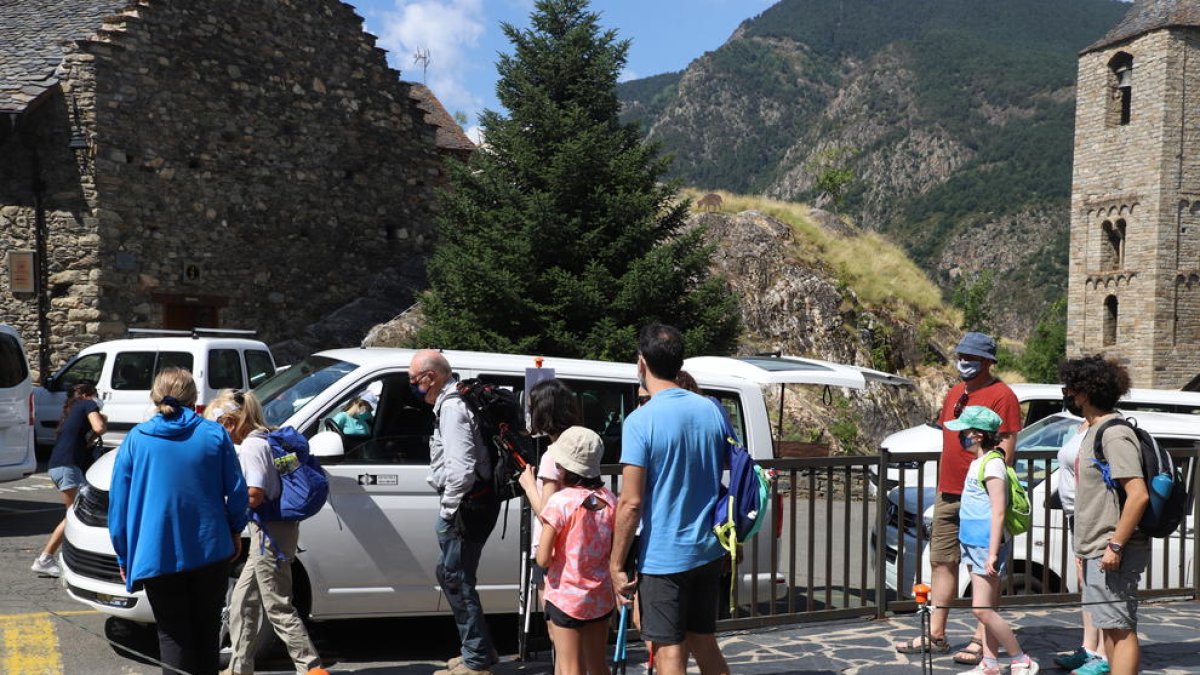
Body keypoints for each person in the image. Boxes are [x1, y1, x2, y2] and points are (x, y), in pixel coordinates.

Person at [107, 368, 248, 675]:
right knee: (206, 633)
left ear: (154, 397)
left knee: (172, 635)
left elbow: (118, 507)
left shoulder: (136, 439)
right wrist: (235, 528)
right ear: (194, 397)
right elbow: (237, 491)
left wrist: (123, 553)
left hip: (158, 550)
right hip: (209, 547)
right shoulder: (214, 434)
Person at [610, 323, 730, 675]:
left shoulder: (640, 421)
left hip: (665, 557)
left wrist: (616, 565)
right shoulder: (710, 409)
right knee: (705, 642)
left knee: (669, 652)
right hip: (707, 549)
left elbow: (631, 503)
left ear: (641, 363)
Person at [895, 332, 1020, 665]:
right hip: (948, 492)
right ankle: (936, 634)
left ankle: (983, 639)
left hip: (977, 496)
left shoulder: (1002, 395)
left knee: (984, 569)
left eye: (972, 357)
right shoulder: (955, 392)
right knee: (941, 561)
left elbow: (1006, 449)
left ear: (988, 362)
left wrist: (991, 491)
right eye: (961, 355)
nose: (963, 361)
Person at [204, 390, 324, 675]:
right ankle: (239, 668)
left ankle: (313, 669)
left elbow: (255, 493)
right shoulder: (264, 438)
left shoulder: (251, 446)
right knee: (242, 601)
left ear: (229, 423)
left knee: (278, 606)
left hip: (270, 536)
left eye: (216, 428)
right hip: (271, 532)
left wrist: (223, 507)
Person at [412, 349, 502, 675]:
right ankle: (480, 650)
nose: (413, 387)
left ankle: (476, 662)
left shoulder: (451, 408)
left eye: (414, 381)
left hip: (466, 507)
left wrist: (447, 512)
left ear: (430, 377)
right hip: (476, 503)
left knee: (457, 579)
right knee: (452, 576)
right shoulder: (453, 402)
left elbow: (462, 471)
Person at [1062, 355, 1148, 675]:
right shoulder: (1095, 429)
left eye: (1071, 388)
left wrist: (1115, 545)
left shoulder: (1113, 433)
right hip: (1099, 547)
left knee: (1120, 629)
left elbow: (1138, 494)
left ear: (1085, 392)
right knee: (1110, 626)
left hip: (1111, 549)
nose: (1067, 393)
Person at [947, 405, 1039, 675]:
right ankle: (989, 663)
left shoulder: (993, 464)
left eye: (964, 431)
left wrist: (991, 553)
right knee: (984, 608)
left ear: (977, 435)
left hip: (986, 545)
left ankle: (1020, 658)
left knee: (982, 610)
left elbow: (998, 511)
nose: (960, 436)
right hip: (973, 542)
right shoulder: (981, 461)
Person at [536, 426, 616, 675]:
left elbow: (543, 558)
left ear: (563, 466)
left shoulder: (560, 502)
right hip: (600, 597)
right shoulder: (610, 499)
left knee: (570, 668)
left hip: (565, 598)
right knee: (598, 665)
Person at [517, 378, 584, 605]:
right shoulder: (577, 446)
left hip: (551, 547)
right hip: (576, 544)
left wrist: (528, 484)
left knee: (555, 621)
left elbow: (548, 513)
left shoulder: (552, 455)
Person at [1053, 416, 1111, 675]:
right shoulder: (1082, 425)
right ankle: (1089, 648)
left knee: (1100, 584)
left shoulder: (1106, 428)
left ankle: (1104, 654)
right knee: (1086, 582)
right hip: (1075, 513)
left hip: (1092, 514)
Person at [32, 381, 107, 577]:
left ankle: (60, 559)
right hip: (67, 468)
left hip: (60, 467)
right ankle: (46, 558)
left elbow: (88, 441)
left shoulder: (70, 413)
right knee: (76, 516)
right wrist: (101, 421)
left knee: (78, 514)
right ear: (86, 395)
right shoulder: (87, 404)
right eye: (96, 394)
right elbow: (98, 427)